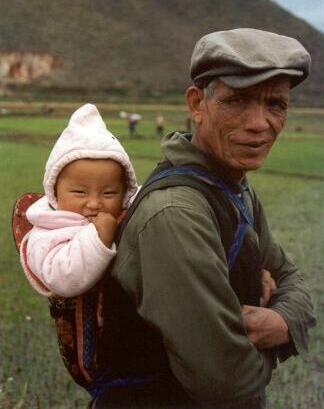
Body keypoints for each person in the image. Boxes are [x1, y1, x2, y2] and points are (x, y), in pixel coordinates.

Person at [92, 29, 316, 409]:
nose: (259, 123)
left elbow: (293, 281)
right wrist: (270, 340)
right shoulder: (176, 214)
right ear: (197, 104)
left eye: (275, 104)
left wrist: (280, 324)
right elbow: (228, 384)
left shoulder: (234, 188)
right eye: (238, 100)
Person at [20, 103, 138, 298]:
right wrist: (98, 238)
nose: (94, 203)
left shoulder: (134, 211)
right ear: (54, 192)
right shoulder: (46, 232)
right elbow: (61, 279)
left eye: (108, 193)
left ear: (125, 192)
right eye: (79, 192)